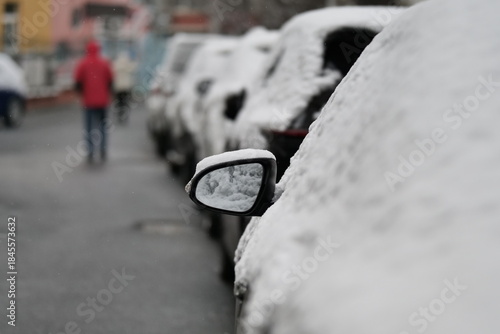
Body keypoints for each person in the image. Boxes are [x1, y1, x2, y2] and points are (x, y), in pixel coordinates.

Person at [74, 40, 113, 163]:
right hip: (102, 101)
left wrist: (81, 94)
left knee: (89, 128)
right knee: (102, 127)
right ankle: (103, 149)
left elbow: (77, 82)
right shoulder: (104, 63)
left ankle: (90, 151)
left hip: (88, 102)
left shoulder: (83, 64)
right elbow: (111, 80)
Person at [112, 52, 136, 123]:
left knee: (119, 103)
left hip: (118, 88)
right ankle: (124, 116)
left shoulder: (115, 65)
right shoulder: (127, 65)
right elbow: (134, 67)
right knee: (125, 103)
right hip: (126, 88)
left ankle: (119, 114)